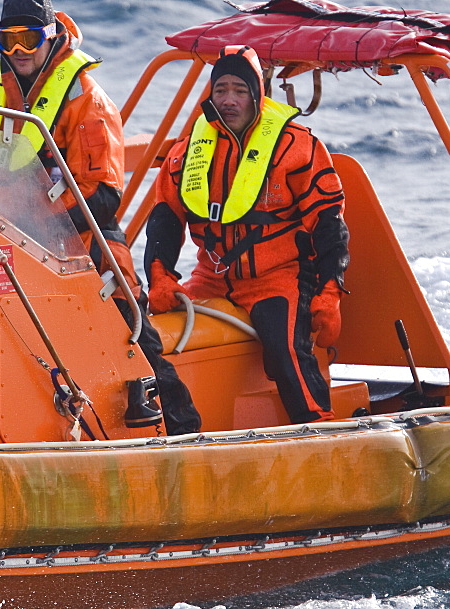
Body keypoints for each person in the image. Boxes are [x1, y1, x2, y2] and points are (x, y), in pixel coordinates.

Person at [0, 0, 201, 435]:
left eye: (28, 39)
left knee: (134, 335)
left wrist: (39, 219)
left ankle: (185, 433)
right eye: (7, 41)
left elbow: (104, 195)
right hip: (2, 235)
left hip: (82, 236)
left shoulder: (87, 98)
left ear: (50, 37)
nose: (18, 51)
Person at [144, 45, 349, 424]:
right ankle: (173, 430)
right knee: (147, 336)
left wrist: (331, 291)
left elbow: (329, 222)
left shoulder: (297, 146)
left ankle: (320, 425)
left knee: (285, 349)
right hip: (211, 278)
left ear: (257, 94)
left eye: (239, 90)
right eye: (220, 90)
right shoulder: (187, 150)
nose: (229, 100)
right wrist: (159, 276)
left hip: (279, 277)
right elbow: (165, 218)